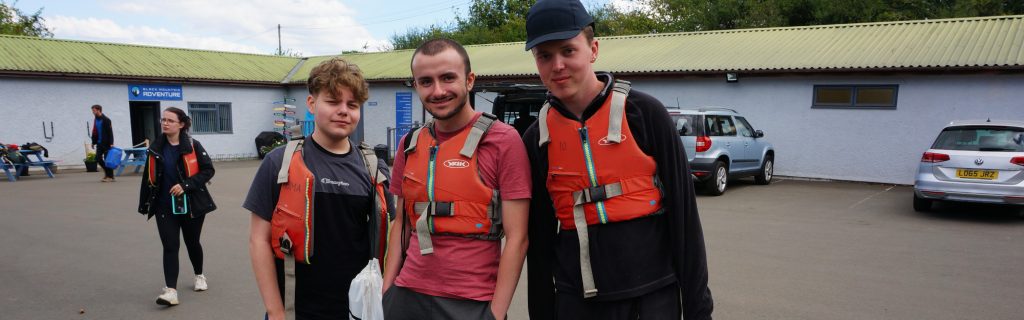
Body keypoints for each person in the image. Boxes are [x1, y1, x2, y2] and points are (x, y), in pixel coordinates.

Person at [521, 1, 714, 319]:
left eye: (568, 51)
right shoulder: (536, 137)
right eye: (544, 55)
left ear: (593, 49)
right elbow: (538, 240)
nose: (557, 65)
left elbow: (685, 219)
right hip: (576, 303)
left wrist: (698, 310)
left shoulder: (645, 114)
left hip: (653, 299)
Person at [381, 38, 530, 320]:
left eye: (448, 78)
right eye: (425, 81)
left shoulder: (503, 141)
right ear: (415, 86)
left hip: (471, 302)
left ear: (469, 80)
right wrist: (387, 290)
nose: (438, 91)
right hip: (406, 296)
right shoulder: (409, 143)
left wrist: (496, 314)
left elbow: (518, 238)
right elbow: (401, 222)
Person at [244, 57, 392, 320]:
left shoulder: (372, 168)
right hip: (294, 309)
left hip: (355, 310)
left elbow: (394, 235)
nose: (343, 110)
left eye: (352, 105)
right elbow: (259, 241)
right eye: (333, 101)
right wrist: (275, 311)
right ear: (312, 104)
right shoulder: (279, 163)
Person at [137, 106, 217, 306]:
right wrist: (143, 204)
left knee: (192, 242)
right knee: (170, 246)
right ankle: (171, 291)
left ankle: (199, 275)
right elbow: (148, 177)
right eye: (163, 120)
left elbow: (208, 170)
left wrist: (185, 185)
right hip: (164, 206)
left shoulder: (193, 145)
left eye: (170, 120)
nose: (165, 123)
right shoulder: (156, 147)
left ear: (181, 124)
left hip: (191, 204)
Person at [91, 104, 115, 182]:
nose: (93, 112)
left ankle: (110, 177)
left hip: (107, 143)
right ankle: (108, 174)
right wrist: (93, 142)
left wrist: (111, 143)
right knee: (98, 158)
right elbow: (95, 131)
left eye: (94, 110)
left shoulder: (106, 120)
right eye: (92, 110)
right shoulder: (96, 119)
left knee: (107, 160)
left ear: (98, 110)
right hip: (99, 143)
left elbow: (110, 132)